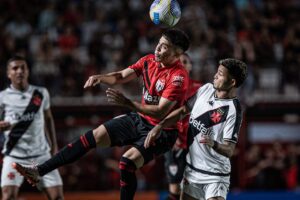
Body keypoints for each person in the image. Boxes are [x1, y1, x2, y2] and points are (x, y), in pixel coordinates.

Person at [13, 29, 190, 200]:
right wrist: (101, 77)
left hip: (163, 131)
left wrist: (128, 103)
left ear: (176, 54)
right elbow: (120, 76)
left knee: (126, 163)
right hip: (140, 119)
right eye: (159, 43)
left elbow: (160, 111)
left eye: (164, 46)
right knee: (93, 136)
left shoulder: (178, 77)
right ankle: (38, 171)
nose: (158, 48)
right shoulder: (148, 61)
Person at [144, 58, 247, 200]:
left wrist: (214, 143)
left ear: (232, 82)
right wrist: (160, 126)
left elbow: (229, 150)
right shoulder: (206, 89)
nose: (215, 75)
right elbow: (182, 111)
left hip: (215, 176)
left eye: (221, 74)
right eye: (217, 72)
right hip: (192, 171)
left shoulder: (233, 111)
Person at [0, 55, 63, 200]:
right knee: (8, 196)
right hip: (14, 156)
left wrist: (54, 146)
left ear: (28, 71)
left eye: (23, 67)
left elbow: (48, 118)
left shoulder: (41, 93)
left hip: (41, 155)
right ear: (8, 73)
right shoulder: (2, 97)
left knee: (57, 197)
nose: (19, 71)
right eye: (15, 68)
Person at [164, 53, 202, 200]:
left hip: (194, 145)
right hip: (174, 144)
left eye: (185, 62)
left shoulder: (200, 89)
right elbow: (160, 115)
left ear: (190, 66)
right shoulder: (167, 88)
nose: (182, 64)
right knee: (174, 189)